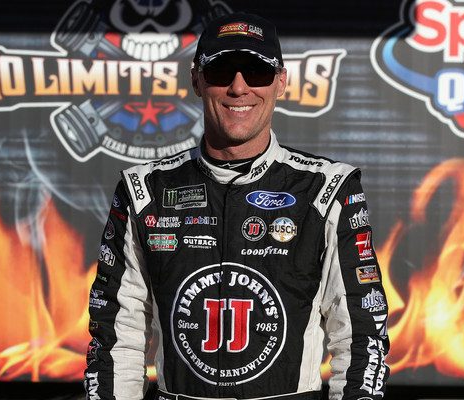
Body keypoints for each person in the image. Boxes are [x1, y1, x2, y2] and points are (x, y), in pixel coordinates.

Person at [84, 11, 390, 400]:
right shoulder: (144, 190)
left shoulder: (327, 189)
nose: (239, 87)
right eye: (221, 70)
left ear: (281, 81)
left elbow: (360, 338)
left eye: (257, 72)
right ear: (197, 80)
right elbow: (117, 336)